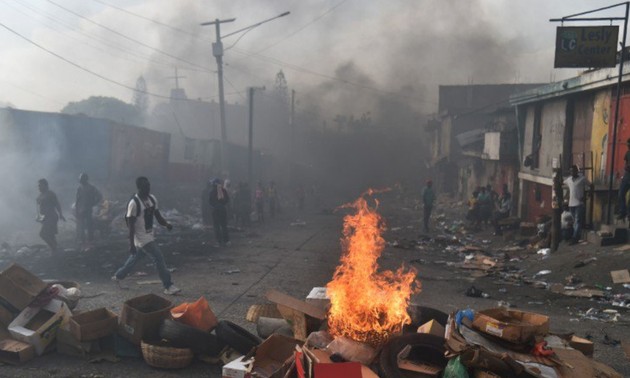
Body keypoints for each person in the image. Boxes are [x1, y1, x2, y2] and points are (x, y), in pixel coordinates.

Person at [112, 177, 181, 295]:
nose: (148, 189)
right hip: (142, 238)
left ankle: (119, 275)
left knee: (135, 258)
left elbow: (158, 216)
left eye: (149, 186)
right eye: (145, 187)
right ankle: (168, 286)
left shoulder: (152, 199)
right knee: (158, 258)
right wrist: (132, 244)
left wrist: (166, 224)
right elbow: (130, 225)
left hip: (149, 235)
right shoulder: (134, 203)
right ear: (139, 187)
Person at [36, 179, 65, 255]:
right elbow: (39, 207)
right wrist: (39, 217)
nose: (39, 187)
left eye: (40, 185)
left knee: (43, 234)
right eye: (38, 186)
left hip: (51, 217)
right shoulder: (40, 195)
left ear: (45, 185)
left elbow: (57, 204)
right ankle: (55, 251)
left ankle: (54, 248)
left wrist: (61, 214)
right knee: (51, 234)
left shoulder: (50, 194)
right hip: (45, 218)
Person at [564, 165, 591, 244]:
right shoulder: (569, 180)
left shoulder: (582, 178)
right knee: (574, 221)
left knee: (578, 220)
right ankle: (574, 236)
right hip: (571, 203)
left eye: (574, 171)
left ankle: (575, 237)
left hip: (579, 203)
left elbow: (590, 185)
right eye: (571, 171)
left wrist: (588, 195)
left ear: (577, 171)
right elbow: (562, 182)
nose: (572, 172)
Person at [75, 173, 102, 246]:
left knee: (89, 225)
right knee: (81, 225)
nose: (80, 180)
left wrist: (94, 203)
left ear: (85, 179)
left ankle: (90, 239)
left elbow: (99, 196)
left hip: (88, 209)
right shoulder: (79, 188)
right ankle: (83, 240)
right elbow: (77, 199)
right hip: (81, 209)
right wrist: (76, 209)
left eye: (81, 179)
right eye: (80, 179)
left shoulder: (91, 188)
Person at [209, 178, 230, 247]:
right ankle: (226, 241)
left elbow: (210, 202)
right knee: (224, 226)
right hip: (223, 210)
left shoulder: (212, 192)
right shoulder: (223, 190)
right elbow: (227, 200)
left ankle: (219, 241)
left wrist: (215, 205)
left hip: (215, 210)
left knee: (216, 226)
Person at [617, 138, 630, 220]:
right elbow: (625, 164)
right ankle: (623, 212)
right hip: (627, 176)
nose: (628, 146)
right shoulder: (628, 153)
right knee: (621, 193)